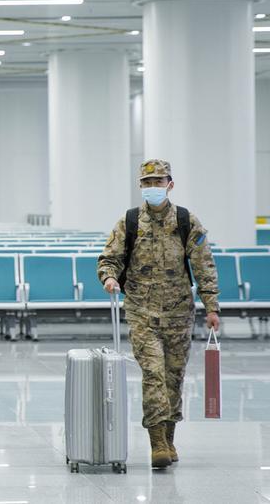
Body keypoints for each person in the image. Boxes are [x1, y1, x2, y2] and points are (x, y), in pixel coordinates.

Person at [98, 159, 220, 469]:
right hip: (142, 311)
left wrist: (211, 306)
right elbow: (109, 258)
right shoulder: (129, 221)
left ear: (170, 184)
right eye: (147, 182)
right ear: (140, 186)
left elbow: (204, 265)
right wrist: (109, 277)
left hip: (179, 313)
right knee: (153, 374)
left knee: (173, 378)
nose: (152, 187)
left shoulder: (186, 220)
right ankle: (157, 443)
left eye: (158, 181)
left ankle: (169, 436)